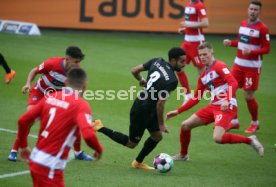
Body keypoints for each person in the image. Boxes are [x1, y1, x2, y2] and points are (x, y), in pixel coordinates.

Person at [166, 43, 264, 161]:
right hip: (213, 106)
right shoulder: (203, 76)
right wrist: (177, 111)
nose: (202, 57)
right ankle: (183, 155)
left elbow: (233, 83)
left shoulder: (219, 66)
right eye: (200, 55)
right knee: (185, 126)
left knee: (218, 138)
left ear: (212, 53)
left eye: (205, 54)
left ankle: (250, 140)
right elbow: (196, 98)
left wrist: (227, 100)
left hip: (227, 107)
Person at [94, 47, 186, 170]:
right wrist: (161, 124)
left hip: (145, 105)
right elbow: (160, 104)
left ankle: (138, 162)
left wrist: (142, 80)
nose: (184, 64)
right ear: (173, 60)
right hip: (143, 110)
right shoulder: (172, 81)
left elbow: (134, 70)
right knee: (131, 143)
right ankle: (99, 127)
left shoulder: (157, 61)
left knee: (157, 136)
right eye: (182, 61)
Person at [17, 68, 103, 187]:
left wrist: (24, 146)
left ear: (66, 82)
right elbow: (88, 135)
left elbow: (23, 121)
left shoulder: (50, 96)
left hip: (36, 158)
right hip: (50, 165)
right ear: (84, 85)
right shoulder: (81, 105)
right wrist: (99, 150)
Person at [8, 46, 92, 161]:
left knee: (73, 122)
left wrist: (79, 99)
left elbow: (83, 84)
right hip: (39, 92)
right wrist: (27, 83)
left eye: (79, 62)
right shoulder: (52, 63)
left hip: (54, 97)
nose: (78, 65)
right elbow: (35, 70)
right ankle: (14, 150)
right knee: (29, 121)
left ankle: (78, 153)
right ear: (67, 59)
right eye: (76, 61)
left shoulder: (75, 71)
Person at [223, 0, 270, 133]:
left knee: (248, 96)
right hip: (238, 65)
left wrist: (252, 52)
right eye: (251, 9)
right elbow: (241, 42)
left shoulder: (263, 28)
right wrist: (230, 43)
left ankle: (255, 122)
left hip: (252, 67)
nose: (253, 11)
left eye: (255, 10)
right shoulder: (243, 24)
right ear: (248, 10)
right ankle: (234, 121)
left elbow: (267, 49)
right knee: (230, 90)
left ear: (259, 12)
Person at [177, 0, 209, 103]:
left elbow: (205, 23)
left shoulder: (199, 5)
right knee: (178, 67)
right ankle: (187, 95)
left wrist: (188, 25)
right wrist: (185, 30)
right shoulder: (190, 4)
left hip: (196, 43)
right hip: (187, 42)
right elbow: (192, 24)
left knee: (202, 72)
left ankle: (215, 95)